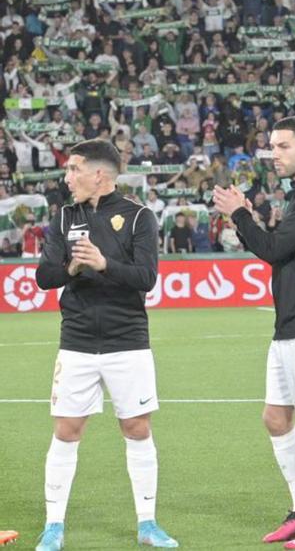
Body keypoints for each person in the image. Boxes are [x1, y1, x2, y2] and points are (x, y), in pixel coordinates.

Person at [212, 117, 295, 549]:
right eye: (273, 146)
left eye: (284, 146)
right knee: (276, 418)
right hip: (290, 324)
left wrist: (238, 215)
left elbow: (272, 250)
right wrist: (248, 215)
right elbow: (281, 246)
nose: (276, 154)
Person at [33, 139, 177, 550]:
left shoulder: (139, 217)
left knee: (137, 427)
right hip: (76, 340)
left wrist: (103, 264)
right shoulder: (65, 217)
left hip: (127, 341)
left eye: (74, 169)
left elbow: (146, 277)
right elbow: (44, 277)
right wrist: (70, 267)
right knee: (66, 430)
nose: (67, 177)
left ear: (99, 175)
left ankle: (147, 524)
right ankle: (54, 526)